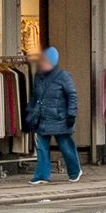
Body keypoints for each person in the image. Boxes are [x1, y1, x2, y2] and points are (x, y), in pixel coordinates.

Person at [27, 44, 82, 185]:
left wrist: (71, 114)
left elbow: (72, 95)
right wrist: (31, 112)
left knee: (65, 146)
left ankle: (75, 170)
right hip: (42, 117)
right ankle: (42, 175)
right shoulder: (38, 76)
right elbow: (36, 96)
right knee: (41, 147)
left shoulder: (63, 76)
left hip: (59, 118)